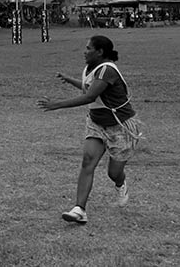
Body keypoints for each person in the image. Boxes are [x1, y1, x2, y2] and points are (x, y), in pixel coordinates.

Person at [37, 35, 144, 224]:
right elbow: (89, 88)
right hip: (96, 123)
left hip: (120, 126)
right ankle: (80, 209)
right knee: (88, 161)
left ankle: (120, 183)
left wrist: (56, 105)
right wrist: (69, 80)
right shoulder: (90, 69)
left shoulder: (107, 70)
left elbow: (90, 96)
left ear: (100, 52)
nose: (84, 52)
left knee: (114, 172)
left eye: (88, 48)